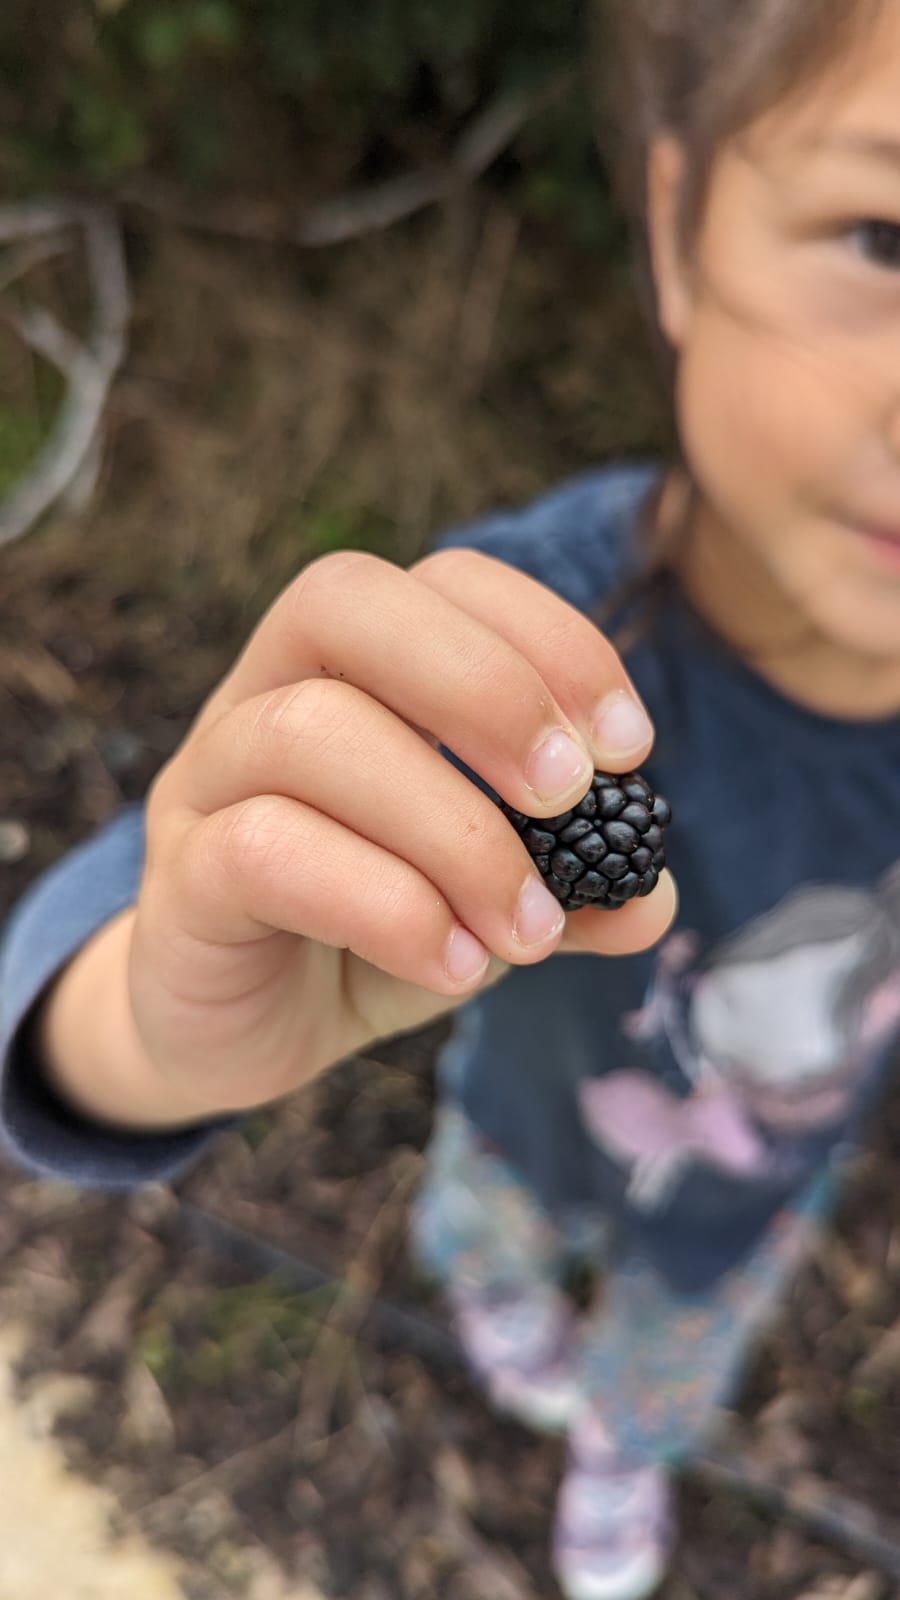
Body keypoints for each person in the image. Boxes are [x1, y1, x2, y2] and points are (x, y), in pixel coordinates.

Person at [3, 0, 900, 1594]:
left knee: (673, 1347)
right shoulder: (533, 643)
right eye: (884, 239)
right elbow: (129, 901)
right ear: (680, 226)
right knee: (489, 1242)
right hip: (515, 1126)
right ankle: (508, 1322)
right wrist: (140, 1026)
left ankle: (624, 1450)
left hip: (752, 1191)